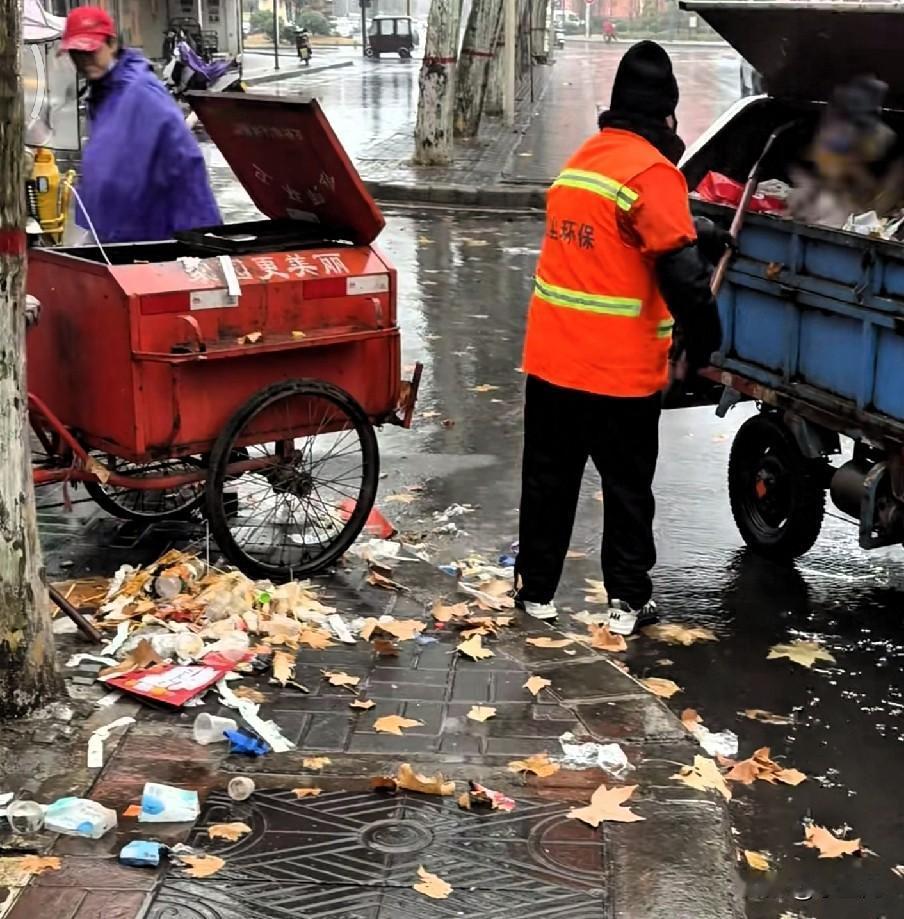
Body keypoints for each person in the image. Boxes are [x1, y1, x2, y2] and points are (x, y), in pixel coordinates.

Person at [515, 41, 725, 635]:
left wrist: (697, 228)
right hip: (617, 373)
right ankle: (627, 602)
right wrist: (707, 344)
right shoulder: (653, 171)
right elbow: (681, 276)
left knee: (548, 481)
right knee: (628, 488)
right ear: (667, 115)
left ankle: (536, 594)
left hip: (553, 364)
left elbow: (617, 233)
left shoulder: (584, 161)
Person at [60, 6, 220, 244]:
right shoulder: (103, 92)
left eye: (90, 52)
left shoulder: (141, 93)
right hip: (113, 235)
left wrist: (200, 240)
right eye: (76, 54)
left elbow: (185, 162)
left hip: (150, 238)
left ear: (112, 44)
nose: (83, 61)